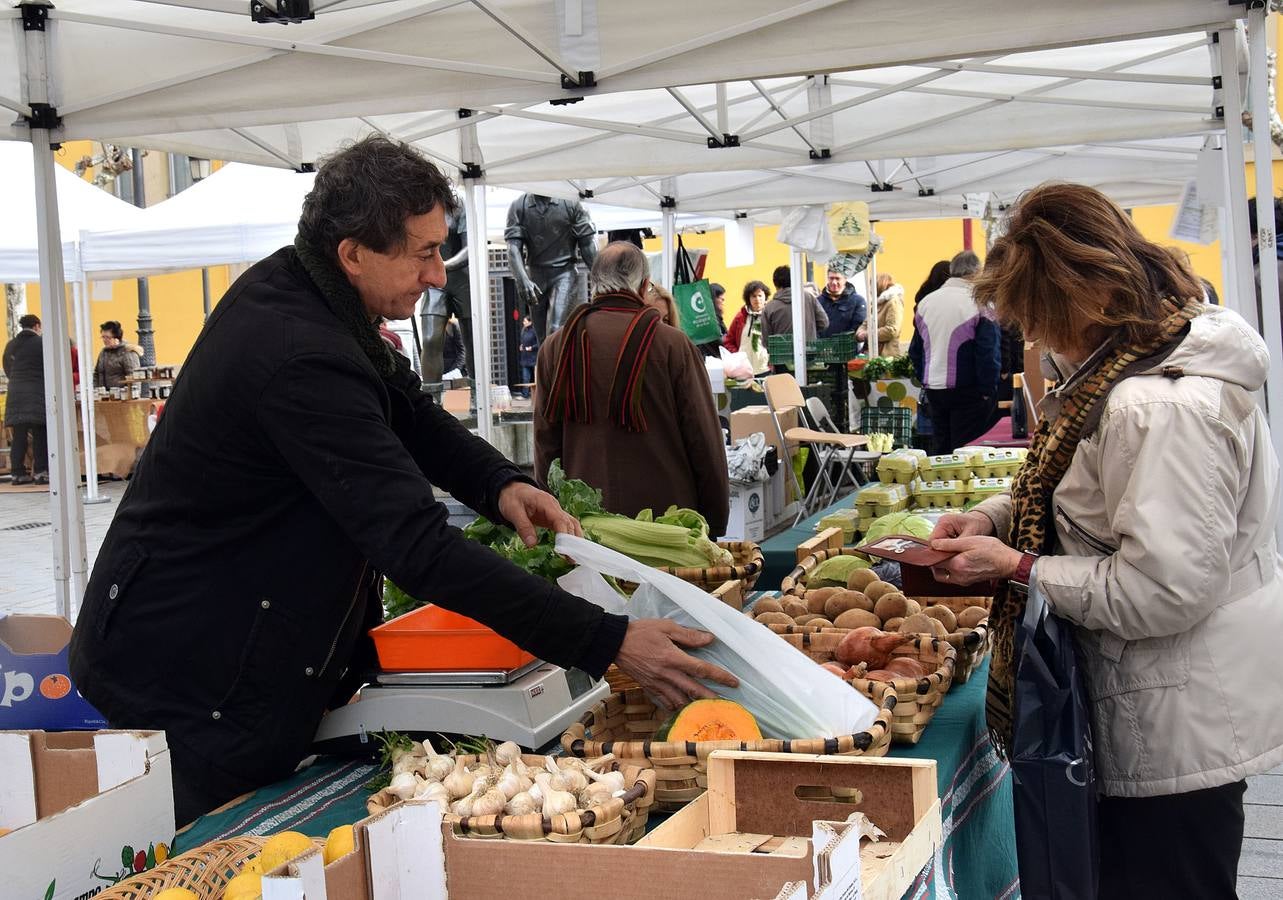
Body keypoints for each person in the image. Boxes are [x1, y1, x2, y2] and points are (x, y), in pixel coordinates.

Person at [69, 137, 735, 827]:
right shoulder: (297, 351)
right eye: (421, 253)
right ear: (353, 252)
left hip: (232, 639)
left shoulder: (314, 292)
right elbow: (416, 545)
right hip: (191, 671)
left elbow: (407, 410)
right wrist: (607, 639)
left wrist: (498, 484)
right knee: (212, 851)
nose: (436, 276)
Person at [928, 182, 1283, 898]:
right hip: (1148, 702)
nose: (1033, 340)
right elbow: (1082, 487)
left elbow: (1163, 590)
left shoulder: (1158, 406)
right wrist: (996, 518)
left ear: (1075, 302)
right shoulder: (1124, 368)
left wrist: (1021, 566)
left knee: (1168, 880)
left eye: (1036, 318)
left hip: (1172, 718)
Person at [534, 242, 730, 537]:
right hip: (668, 531)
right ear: (645, 286)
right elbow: (703, 439)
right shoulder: (672, 345)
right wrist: (715, 521)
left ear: (594, 283)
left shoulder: (555, 347)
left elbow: (545, 445)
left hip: (585, 530)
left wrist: (552, 516)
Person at [908, 251, 1000, 453]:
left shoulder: (925, 303)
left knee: (941, 450)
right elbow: (987, 352)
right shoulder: (980, 303)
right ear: (977, 273)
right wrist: (988, 390)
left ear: (952, 271)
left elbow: (915, 351)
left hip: (934, 389)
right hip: (969, 391)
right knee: (966, 453)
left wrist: (925, 377)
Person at [505, 193, 598, 341]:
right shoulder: (519, 205)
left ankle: (558, 363)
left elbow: (587, 244)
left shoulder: (572, 203)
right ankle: (547, 364)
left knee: (555, 329)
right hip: (535, 276)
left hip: (564, 273)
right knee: (541, 337)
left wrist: (601, 278)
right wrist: (522, 280)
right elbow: (513, 248)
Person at [3, 314, 47, 485]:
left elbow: (7, 367)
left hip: (15, 393)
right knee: (40, 434)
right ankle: (41, 472)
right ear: (37, 326)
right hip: (37, 393)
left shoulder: (11, 345)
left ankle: (17, 473)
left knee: (19, 435)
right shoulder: (41, 343)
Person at [762, 265, 828, 341]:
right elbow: (824, 323)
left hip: (781, 351)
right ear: (793, 279)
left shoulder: (769, 308)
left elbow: (766, 340)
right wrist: (809, 330)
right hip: (808, 350)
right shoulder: (808, 297)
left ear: (775, 284)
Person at [859, 273, 904, 357]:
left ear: (879, 284)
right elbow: (865, 324)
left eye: (871, 286)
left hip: (887, 354)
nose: (870, 290)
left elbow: (892, 330)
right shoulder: (877, 303)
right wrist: (859, 334)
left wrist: (867, 335)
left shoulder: (893, 302)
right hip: (873, 353)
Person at [817, 268, 866, 339]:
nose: (834, 282)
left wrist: (840, 341)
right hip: (822, 347)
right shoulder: (819, 301)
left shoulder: (858, 301)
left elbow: (858, 326)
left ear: (845, 279)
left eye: (837, 278)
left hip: (847, 347)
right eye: (831, 278)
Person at [94, 320, 141, 390]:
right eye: (103, 337)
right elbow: (96, 373)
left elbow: (133, 375)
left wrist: (132, 394)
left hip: (122, 396)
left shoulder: (127, 352)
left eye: (107, 337)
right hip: (105, 396)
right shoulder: (103, 352)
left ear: (116, 338)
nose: (104, 340)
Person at [697, 282, 728, 358]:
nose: (723, 302)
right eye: (722, 299)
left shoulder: (709, 317)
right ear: (713, 299)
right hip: (711, 361)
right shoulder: (709, 319)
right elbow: (721, 342)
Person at [517, 314, 539, 399]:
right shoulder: (524, 330)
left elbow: (539, 342)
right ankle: (525, 394)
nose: (523, 323)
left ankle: (538, 396)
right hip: (525, 357)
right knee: (525, 378)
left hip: (534, 357)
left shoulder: (535, 331)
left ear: (530, 322)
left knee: (537, 378)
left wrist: (532, 347)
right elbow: (523, 341)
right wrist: (521, 346)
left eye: (525, 321)